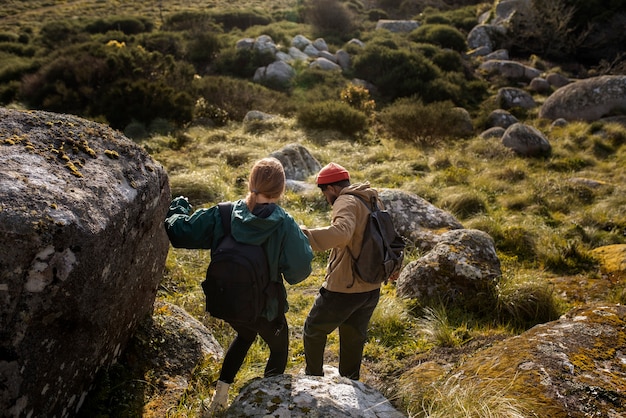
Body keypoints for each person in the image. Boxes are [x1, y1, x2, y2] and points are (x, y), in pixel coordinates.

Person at [164, 157, 313, 415]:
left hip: (226, 302)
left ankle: (219, 398)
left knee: (245, 334)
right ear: (281, 189)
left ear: (250, 182)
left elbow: (180, 233)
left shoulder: (222, 213)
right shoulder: (284, 223)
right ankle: (266, 407)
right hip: (265, 310)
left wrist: (177, 207)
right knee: (279, 349)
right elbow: (299, 273)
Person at [299, 162, 383, 381]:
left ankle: (314, 379)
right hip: (372, 285)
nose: (327, 198)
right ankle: (350, 380)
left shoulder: (345, 200)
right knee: (353, 336)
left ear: (332, 189)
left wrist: (302, 235)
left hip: (345, 287)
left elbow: (341, 234)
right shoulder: (372, 199)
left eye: (325, 192)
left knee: (314, 329)